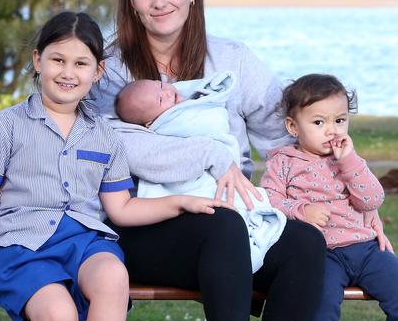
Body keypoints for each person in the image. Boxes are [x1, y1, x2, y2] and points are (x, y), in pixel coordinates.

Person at [90, 0, 327, 321]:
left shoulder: (233, 60)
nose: (160, 2)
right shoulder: (110, 71)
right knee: (223, 225)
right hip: (141, 224)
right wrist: (211, 156)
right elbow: (121, 150)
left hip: (229, 218)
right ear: (130, 1)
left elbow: (285, 140)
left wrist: (335, 196)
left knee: (304, 243)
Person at [0, 11, 226, 321]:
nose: (68, 72)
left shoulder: (106, 134)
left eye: (81, 63)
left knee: (112, 274)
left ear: (98, 71)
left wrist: (180, 203)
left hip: (85, 242)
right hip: (22, 244)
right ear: (38, 61)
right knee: (57, 320)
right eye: (58, 60)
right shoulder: (6, 126)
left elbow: (121, 207)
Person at [261, 74, 398, 321]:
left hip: (365, 248)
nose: (332, 130)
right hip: (322, 255)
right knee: (321, 301)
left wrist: (350, 162)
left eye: (340, 120)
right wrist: (300, 210)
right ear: (293, 126)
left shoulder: (349, 160)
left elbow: (372, 199)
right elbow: (268, 202)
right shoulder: (283, 162)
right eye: (319, 122)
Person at [116, 71, 287, 274]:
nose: (169, 93)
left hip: (227, 175)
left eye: (160, 86)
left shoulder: (186, 95)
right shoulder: (167, 124)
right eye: (161, 100)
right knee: (229, 223)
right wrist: (212, 152)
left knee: (306, 239)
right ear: (150, 123)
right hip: (192, 197)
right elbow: (206, 127)